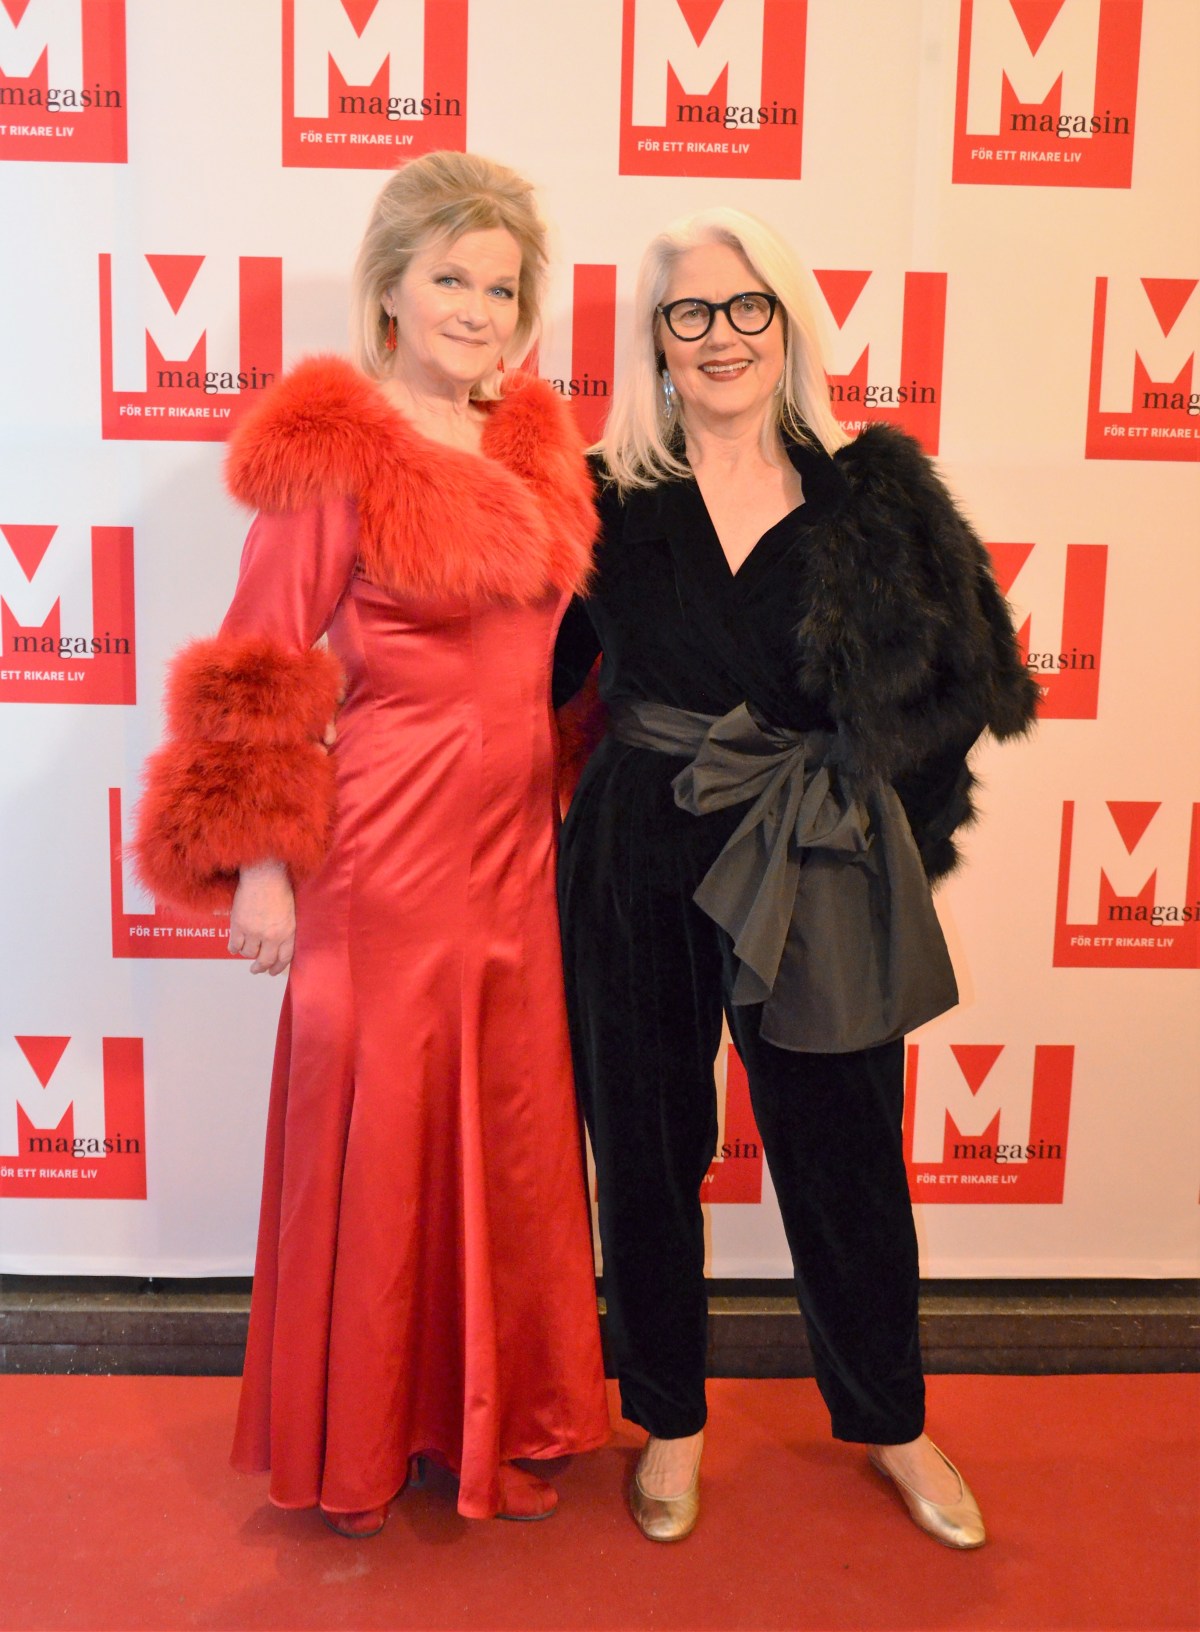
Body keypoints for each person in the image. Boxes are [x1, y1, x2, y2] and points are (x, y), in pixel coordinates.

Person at [134, 151, 609, 1537]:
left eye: (501, 288)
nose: (475, 309)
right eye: (449, 278)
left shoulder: (536, 445)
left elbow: (563, 662)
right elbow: (259, 659)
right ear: (390, 289)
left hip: (517, 853)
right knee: (384, 1134)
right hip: (385, 854)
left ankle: (489, 1421)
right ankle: (362, 1441)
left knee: (506, 1137)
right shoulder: (335, 452)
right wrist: (261, 864)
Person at [554, 208, 1039, 1549]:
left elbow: (968, 687)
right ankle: (670, 1418)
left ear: (788, 321)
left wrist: (881, 840)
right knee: (646, 1141)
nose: (720, 336)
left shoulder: (873, 495)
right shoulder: (597, 499)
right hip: (637, 844)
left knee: (845, 1152)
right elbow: (518, 685)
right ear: (654, 341)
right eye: (689, 313)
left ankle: (892, 1420)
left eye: (745, 306)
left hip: (814, 846)